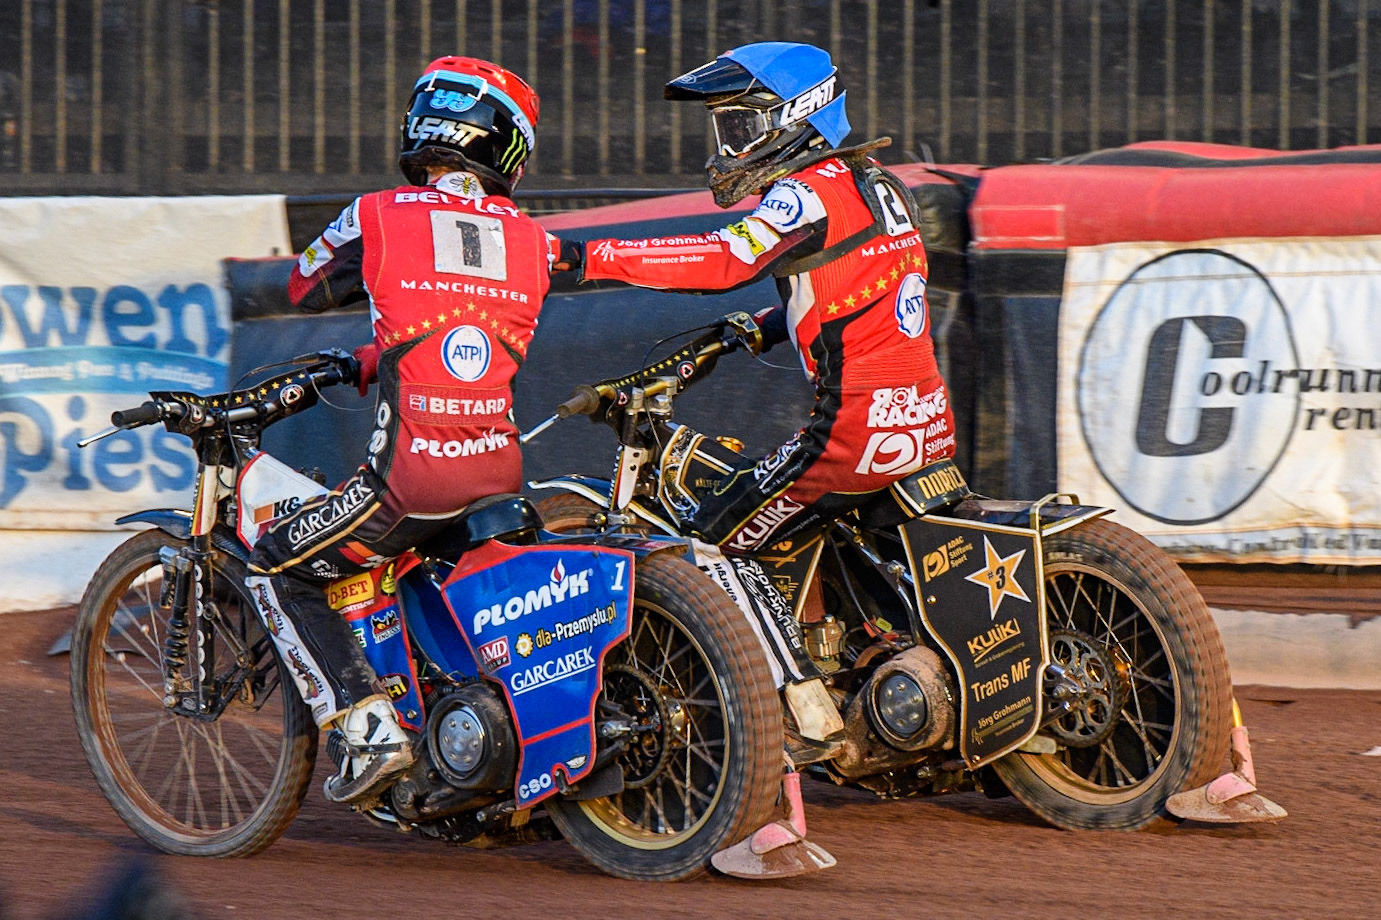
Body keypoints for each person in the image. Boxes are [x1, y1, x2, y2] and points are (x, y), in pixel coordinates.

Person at [247, 56, 558, 805]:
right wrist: (382, 351)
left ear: (421, 126)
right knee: (420, 558)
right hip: (499, 468)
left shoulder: (375, 211)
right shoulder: (529, 236)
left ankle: (368, 729)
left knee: (278, 565)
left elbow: (305, 284)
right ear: (507, 148)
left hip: (411, 483)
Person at [555, 41, 958, 559]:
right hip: (927, 422)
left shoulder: (804, 193)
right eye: (725, 130)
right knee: (812, 550)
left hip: (854, 434)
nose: (730, 148)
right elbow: (867, 290)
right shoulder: (876, 180)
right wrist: (764, 326)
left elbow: (725, 259)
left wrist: (584, 255)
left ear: (796, 117)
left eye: (742, 128)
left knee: (705, 547)